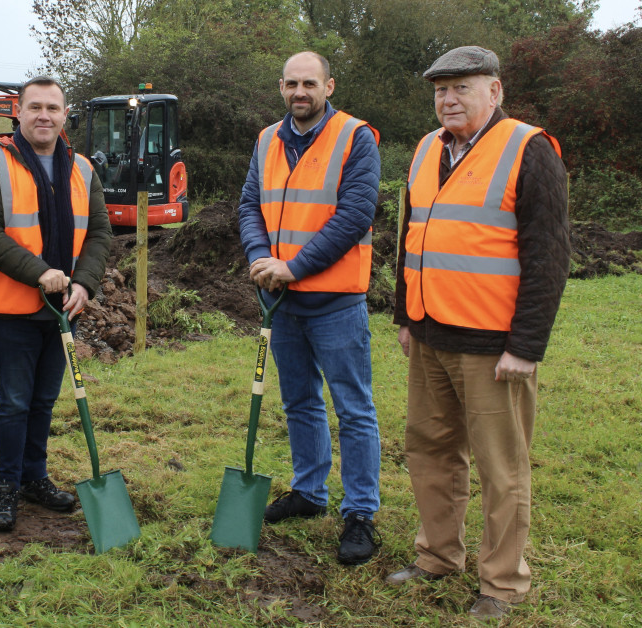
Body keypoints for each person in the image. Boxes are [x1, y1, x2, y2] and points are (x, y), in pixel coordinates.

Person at [388, 46, 569, 620]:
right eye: (441, 89)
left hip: (494, 347)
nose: (448, 99)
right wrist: (405, 317)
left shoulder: (528, 148)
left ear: (495, 92)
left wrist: (526, 346)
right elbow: (411, 238)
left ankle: (503, 584)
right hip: (430, 333)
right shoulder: (426, 149)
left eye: (462, 87)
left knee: (501, 467)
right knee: (430, 451)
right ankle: (437, 555)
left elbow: (548, 257)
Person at [237, 51, 383, 565]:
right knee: (299, 402)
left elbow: (354, 215)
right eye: (292, 84)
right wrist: (260, 258)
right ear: (281, 87)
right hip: (280, 301)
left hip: (336, 300)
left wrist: (294, 267)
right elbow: (250, 205)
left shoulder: (355, 137)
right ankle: (309, 492)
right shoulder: (265, 140)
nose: (301, 92)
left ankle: (360, 512)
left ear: (329, 86)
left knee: (354, 409)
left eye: (310, 83)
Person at [0, 76, 112, 532]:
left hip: (64, 309)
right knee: (13, 402)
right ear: (19, 113)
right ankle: (6, 485)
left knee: (44, 400)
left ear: (65, 115)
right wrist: (38, 273)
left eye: (52, 108)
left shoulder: (83, 169)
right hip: (12, 309)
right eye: (35, 107)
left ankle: (34, 477)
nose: (43, 115)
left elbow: (101, 233)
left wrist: (84, 284)